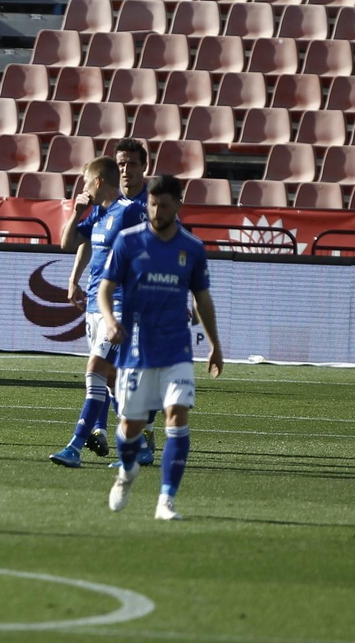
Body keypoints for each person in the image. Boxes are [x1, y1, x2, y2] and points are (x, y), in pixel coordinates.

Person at [98, 174, 224, 520]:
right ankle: (126, 472)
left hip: (176, 350)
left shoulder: (192, 249)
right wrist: (109, 320)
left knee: (177, 415)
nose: (156, 211)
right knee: (130, 429)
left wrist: (215, 344)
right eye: (152, 204)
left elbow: (202, 300)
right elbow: (105, 289)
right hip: (136, 350)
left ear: (178, 206)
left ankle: (166, 501)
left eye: (164, 205)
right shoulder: (128, 242)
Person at [50, 156, 146, 468]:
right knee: (109, 380)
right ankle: (139, 446)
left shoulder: (129, 211)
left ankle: (75, 446)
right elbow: (68, 243)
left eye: (85, 183)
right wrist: (77, 211)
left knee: (95, 369)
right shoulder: (100, 214)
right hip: (94, 304)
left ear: (98, 182)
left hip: (120, 306)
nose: (83, 188)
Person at [113, 136, 157, 468]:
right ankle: (140, 436)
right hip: (113, 300)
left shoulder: (154, 205)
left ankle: (145, 434)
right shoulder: (109, 202)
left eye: (131, 163)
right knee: (117, 372)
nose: (126, 170)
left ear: (145, 167)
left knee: (140, 371)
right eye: (120, 164)